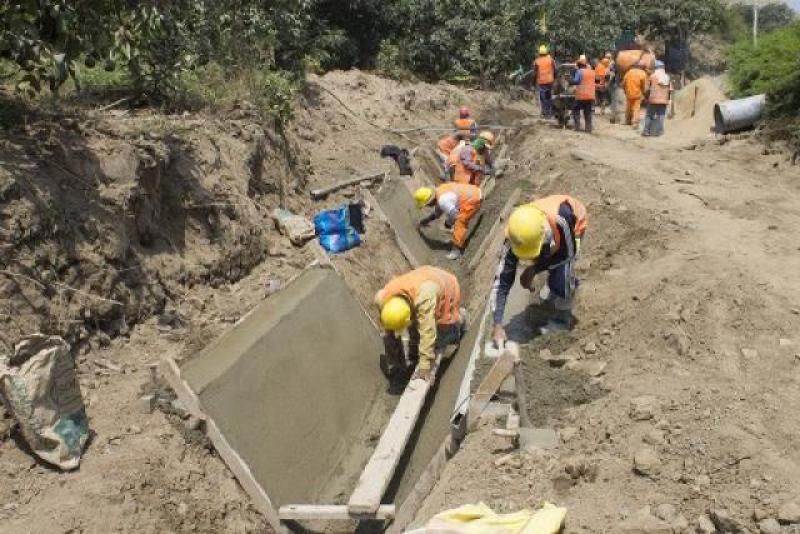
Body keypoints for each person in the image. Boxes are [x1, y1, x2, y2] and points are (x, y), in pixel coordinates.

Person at [491, 195, 588, 345]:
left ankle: (563, 312)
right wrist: (497, 324)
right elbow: (502, 282)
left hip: (574, 226)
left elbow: (568, 255)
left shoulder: (563, 218)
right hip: (547, 237)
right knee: (548, 260)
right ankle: (552, 283)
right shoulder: (516, 235)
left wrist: (534, 270)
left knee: (563, 272)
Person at [375, 267, 465, 387]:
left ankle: (459, 321)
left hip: (445, 286)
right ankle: (413, 351)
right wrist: (394, 358)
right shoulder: (382, 299)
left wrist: (424, 367)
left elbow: (428, 331)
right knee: (417, 328)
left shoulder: (425, 297)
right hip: (421, 282)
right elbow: (389, 329)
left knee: (439, 341)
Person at [415, 182, 482, 260]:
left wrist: (448, 223)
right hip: (474, 192)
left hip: (473, 200)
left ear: (429, 201)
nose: (428, 206)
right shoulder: (439, 191)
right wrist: (426, 221)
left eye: (426, 205)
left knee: (460, 221)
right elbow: (438, 212)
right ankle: (455, 240)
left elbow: (455, 215)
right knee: (456, 219)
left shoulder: (443, 201)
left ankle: (457, 249)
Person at [642, 60, 672, 137]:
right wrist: (667, 99)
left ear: (655, 68)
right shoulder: (667, 77)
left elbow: (647, 89)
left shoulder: (652, 76)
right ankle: (660, 132)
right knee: (661, 116)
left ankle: (646, 131)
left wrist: (646, 97)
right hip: (663, 101)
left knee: (649, 115)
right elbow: (670, 90)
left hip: (653, 100)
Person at [570, 55, 595, 133]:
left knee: (575, 109)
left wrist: (570, 81)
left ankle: (577, 127)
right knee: (588, 112)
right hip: (590, 95)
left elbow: (577, 81)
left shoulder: (579, 71)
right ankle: (588, 129)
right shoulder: (592, 72)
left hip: (581, 95)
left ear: (579, 65)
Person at [533, 45, 557, 119]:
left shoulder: (537, 61)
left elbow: (535, 73)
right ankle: (549, 112)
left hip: (542, 81)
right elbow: (555, 70)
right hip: (550, 81)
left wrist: (533, 82)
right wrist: (555, 78)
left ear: (539, 53)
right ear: (546, 52)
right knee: (549, 96)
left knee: (543, 97)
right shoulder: (551, 60)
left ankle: (544, 112)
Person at [622, 61, 648, 128]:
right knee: (636, 108)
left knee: (628, 107)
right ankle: (635, 123)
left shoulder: (629, 72)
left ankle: (627, 121)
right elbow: (644, 85)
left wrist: (625, 90)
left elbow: (623, 83)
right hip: (637, 94)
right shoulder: (642, 73)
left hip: (628, 93)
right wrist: (644, 93)